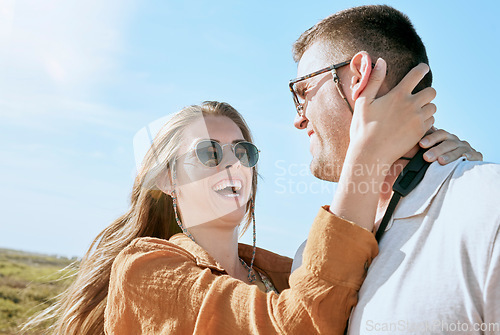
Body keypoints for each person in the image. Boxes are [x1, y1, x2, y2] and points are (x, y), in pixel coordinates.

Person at [24, 70, 471, 334]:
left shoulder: (281, 269)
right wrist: (363, 157)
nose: (233, 166)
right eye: (209, 153)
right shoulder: (144, 269)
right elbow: (298, 326)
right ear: (166, 178)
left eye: (244, 153)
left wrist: (431, 169)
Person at [290, 5, 499, 334]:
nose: (299, 117)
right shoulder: (309, 258)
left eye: (302, 92)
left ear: (359, 77)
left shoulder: (489, 209)